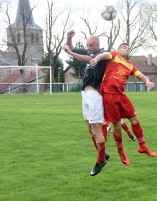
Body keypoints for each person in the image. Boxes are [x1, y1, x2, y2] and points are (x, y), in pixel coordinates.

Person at [90, 43, 157, 166]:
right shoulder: (114, 55)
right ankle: (121, 152)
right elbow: (104, 55)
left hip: (121, 95)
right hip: (109, 93)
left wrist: (147, 81)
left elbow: (141, 75)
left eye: (128, 47)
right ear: (118, 50)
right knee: (117, 126)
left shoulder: (130, 65)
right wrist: (96, 59)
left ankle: (142, 147)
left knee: (135, 120)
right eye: (124, 47)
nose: (127, 48)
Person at [62, 30, 108, 176]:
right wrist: (68, 38)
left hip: (95, 95)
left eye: (91, 46)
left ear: (98, 45)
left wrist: (70, 53)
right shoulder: (90, 51)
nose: (88, 48)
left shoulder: (102, 55)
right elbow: (73, 48)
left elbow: (85, 59)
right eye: (87, 45)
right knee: (90, 128)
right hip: (86, 95)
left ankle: (100, 160)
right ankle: (103, 154)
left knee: (96, 130)